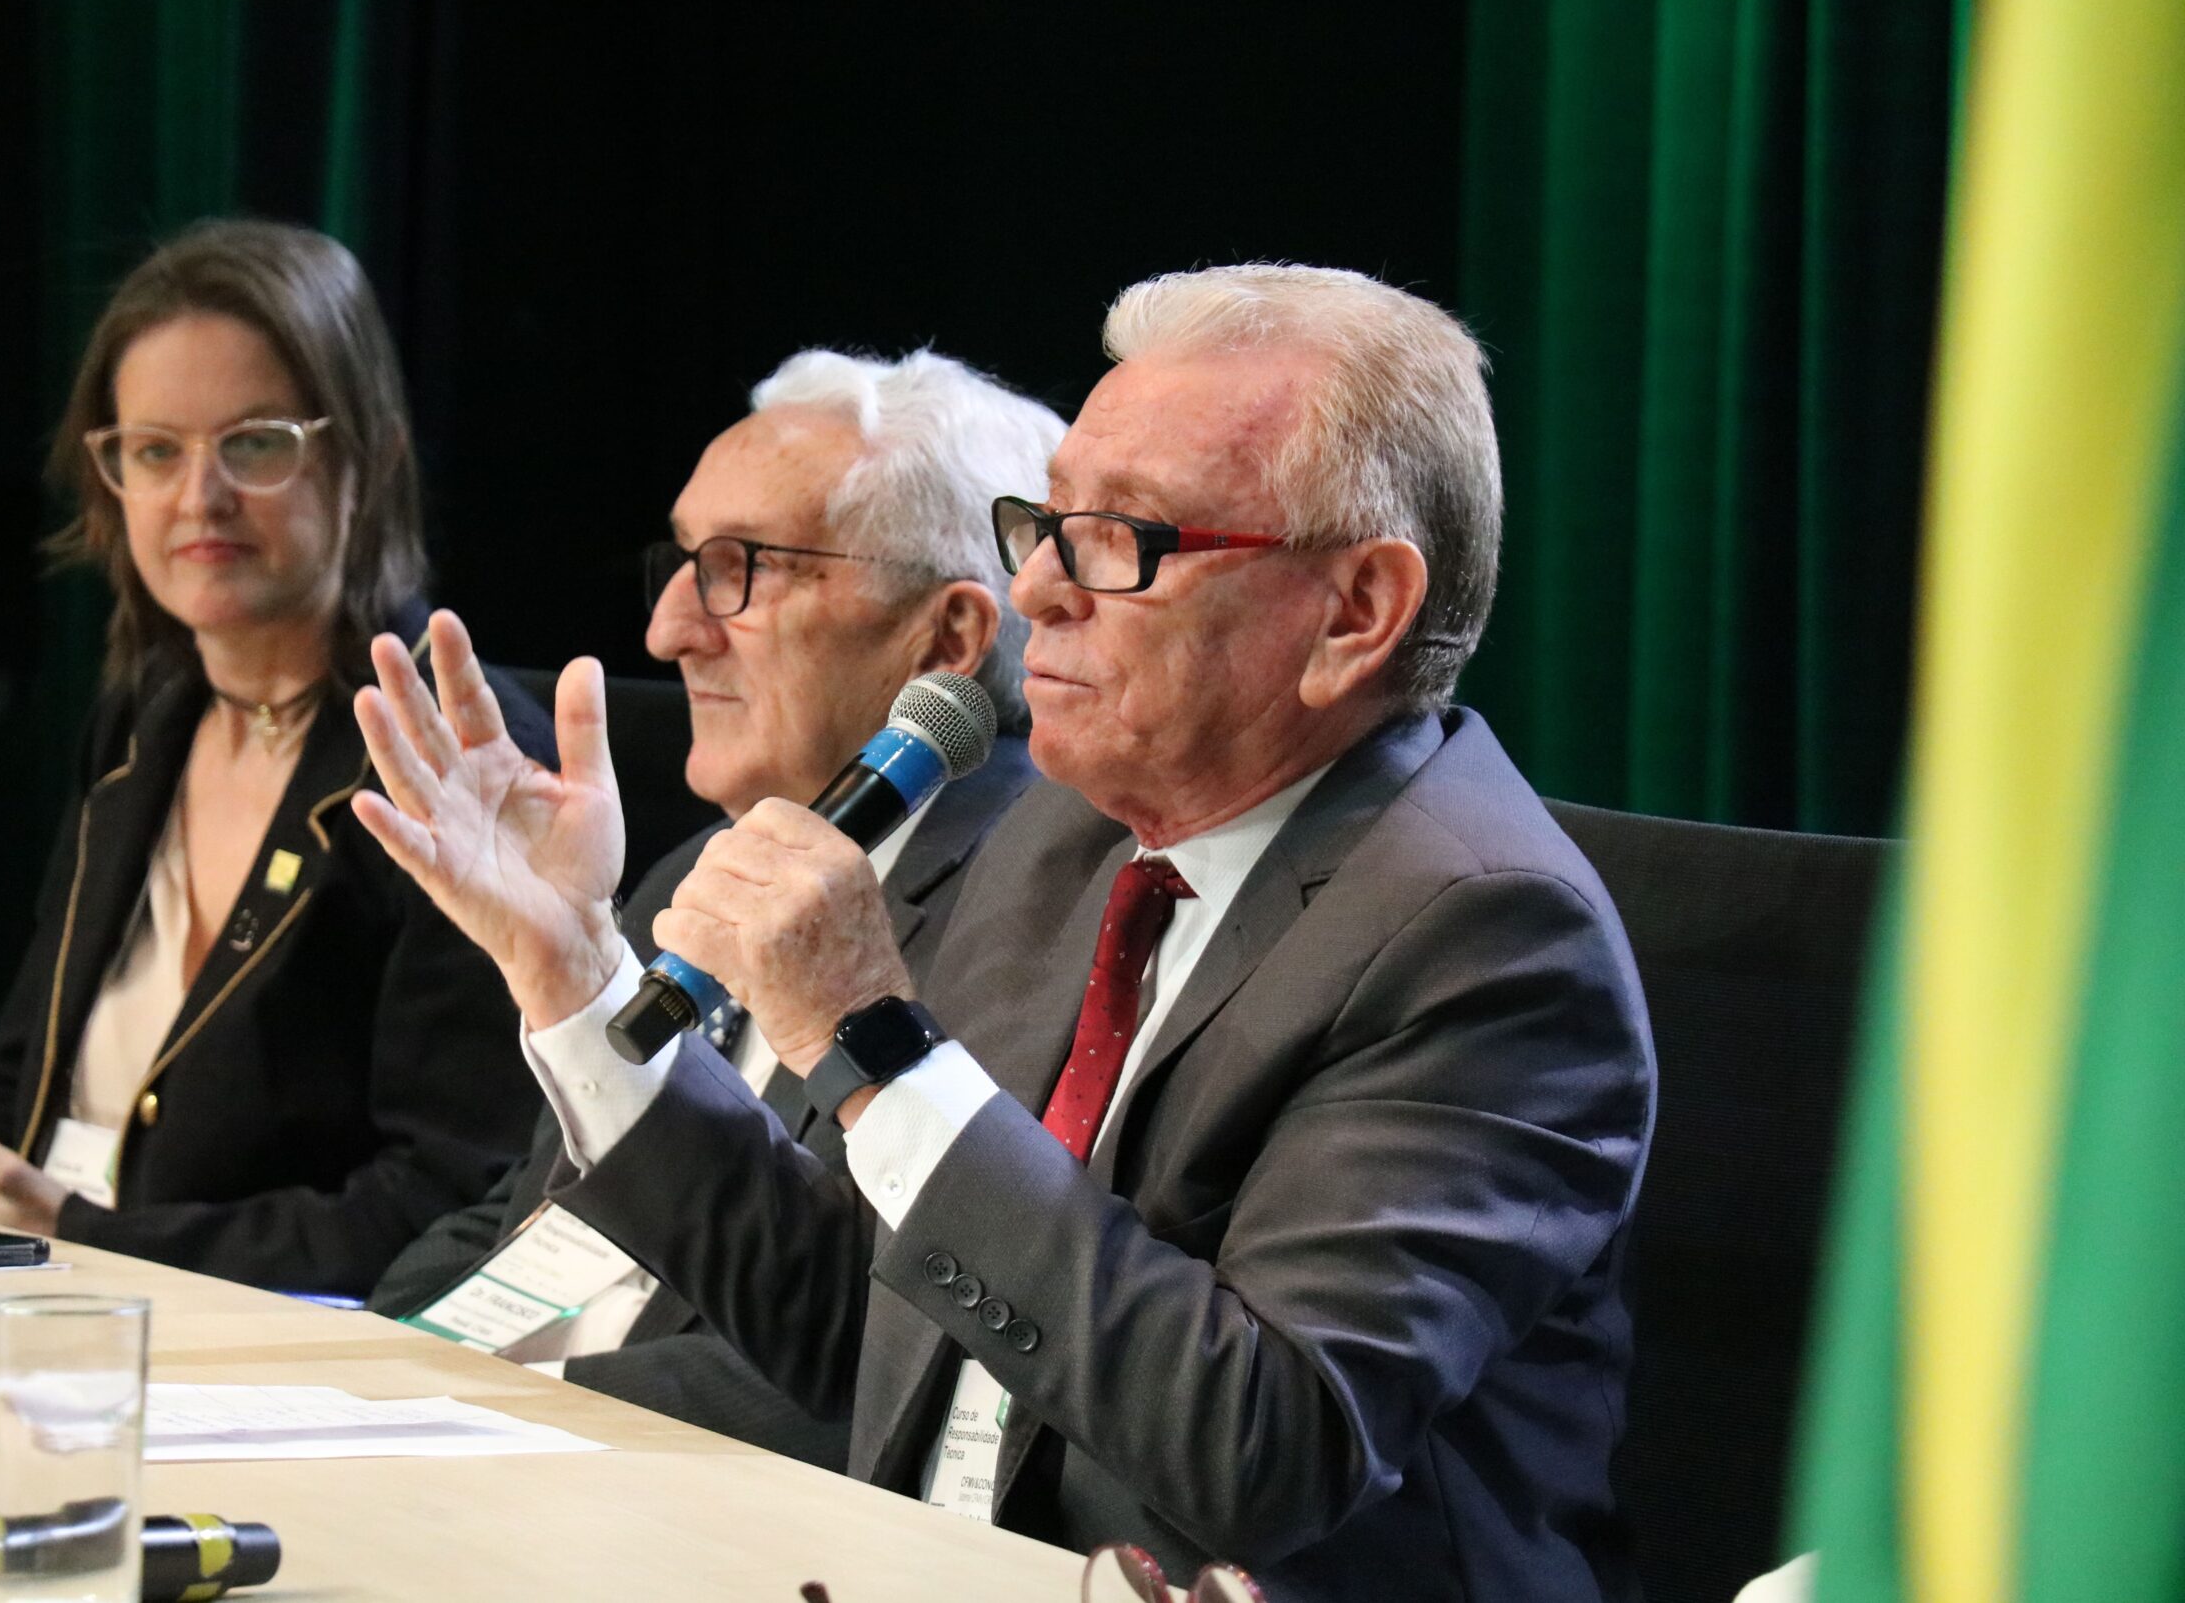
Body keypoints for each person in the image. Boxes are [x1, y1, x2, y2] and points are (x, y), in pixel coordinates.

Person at [353, 264, 1654, 1599]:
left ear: (1356, 610)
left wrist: (875, 1040)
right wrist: (575, 968)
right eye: (1043, 523)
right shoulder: (1066, 838)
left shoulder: (1483, 933)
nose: (1036, 588)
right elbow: (857, 1327)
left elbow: (1265, 1448)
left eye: (1122, 538)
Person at [369, 349, 1056, 1469]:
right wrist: (357, 1360)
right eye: (683, 564)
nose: (671, 630)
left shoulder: (1031, 908)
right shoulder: (697, 866)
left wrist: (478, 1419)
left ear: (950, 638)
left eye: (742, 568)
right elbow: (515, 1230)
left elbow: (873, 1356)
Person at [0, 218, 554, 1296]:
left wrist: (92, 1238)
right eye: (154, 451)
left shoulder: (459, 756)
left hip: (276, 1360)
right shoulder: (148, 717)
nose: (199, 497)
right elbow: (19, 1100)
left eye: (256, 443)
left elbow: (452, 1198)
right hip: (50, 1300)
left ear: (367, 455)